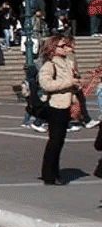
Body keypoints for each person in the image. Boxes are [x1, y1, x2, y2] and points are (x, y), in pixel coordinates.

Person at [38, 36, 79, 185]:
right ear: (53, 48)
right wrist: (68, 82)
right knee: (55, 141)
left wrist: (76, 84)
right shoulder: (49, 65)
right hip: (55, 105)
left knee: (60, 141)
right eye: (61, 46)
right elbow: (46, 84)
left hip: (66, 104)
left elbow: (70, 82)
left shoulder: (68, 63)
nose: (64, 48)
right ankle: (49, 174)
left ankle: (54, 171)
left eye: (65, 45)